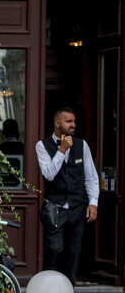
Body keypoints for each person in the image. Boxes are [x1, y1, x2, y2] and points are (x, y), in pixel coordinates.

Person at [35, 107, 99, 284]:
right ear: (57, 123)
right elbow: (48, 174)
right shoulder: (42, 145)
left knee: (72, 255)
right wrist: (61, 150)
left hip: (77, 208)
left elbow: (91, 177)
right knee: (54, 251)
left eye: (74, 121)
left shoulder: (82, 145)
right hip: (54, 208)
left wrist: (93, 203)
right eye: (68, 121)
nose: (73, 125)